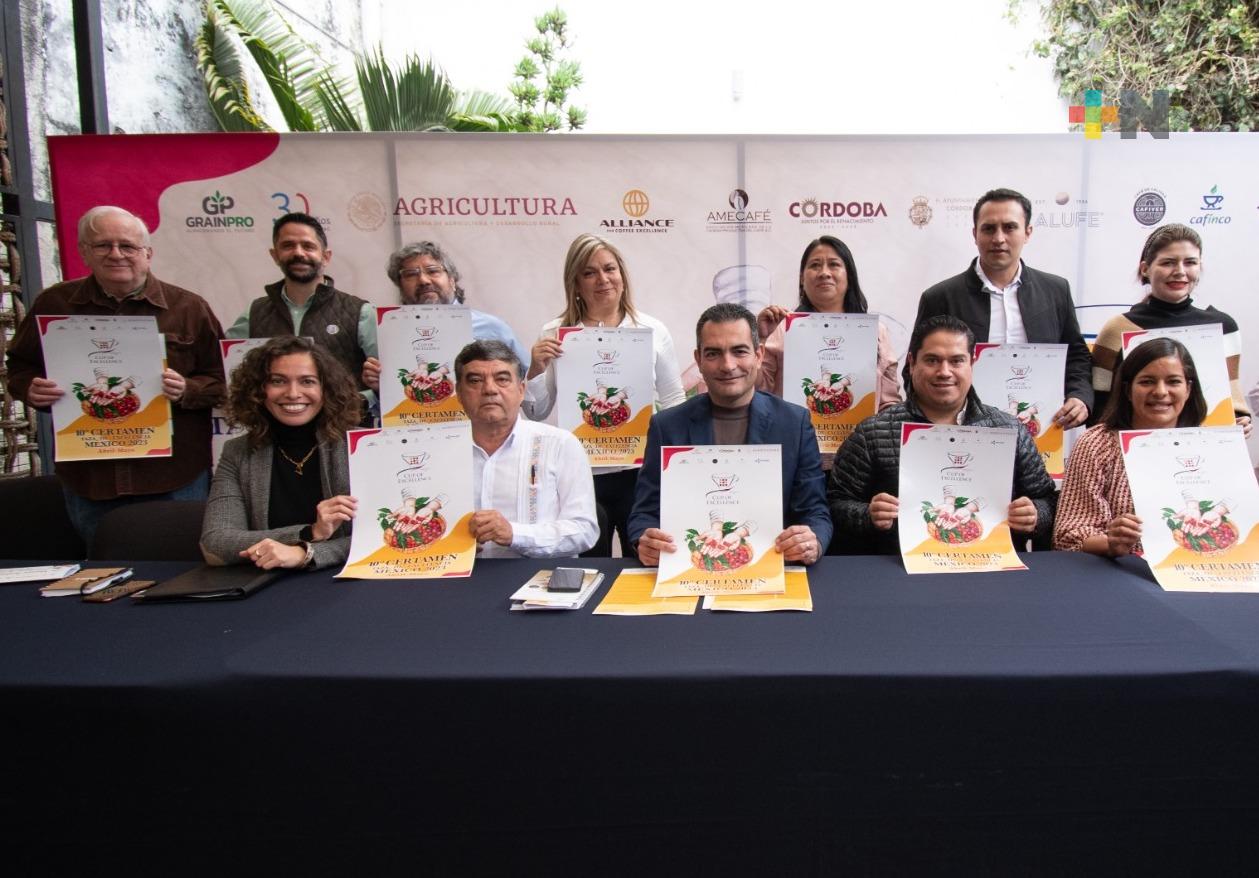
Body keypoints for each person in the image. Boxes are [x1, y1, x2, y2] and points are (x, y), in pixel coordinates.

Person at [6, 205, 226, 547]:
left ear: (147, 254)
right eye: (103, 245)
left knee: (183, 563)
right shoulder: (54, 305)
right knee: (105, 566)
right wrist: (29, 388)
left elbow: (225, 379)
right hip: (91, 477)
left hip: (174, 475)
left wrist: (188, 389)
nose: (116, 254)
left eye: (127, 246)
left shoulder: (189, 308)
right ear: (84, 252)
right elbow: (20, 366)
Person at [828, 315, 1057, 555]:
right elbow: (835, 502)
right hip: (900, 567)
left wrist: (1035, 515)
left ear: (972, 363)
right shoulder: (873, 432)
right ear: (912, 363)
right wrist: (868, 515)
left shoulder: (1009, 430)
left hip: (991, 565)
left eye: (956, 361)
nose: (944, 372)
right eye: (932, 360)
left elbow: (1048, 499)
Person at [627, 303, 831, 567]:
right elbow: (644, 513)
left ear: (758, 355)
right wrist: (644, 541)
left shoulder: (794, 423)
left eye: (739, 351)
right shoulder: (666, 426)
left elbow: (815, 512)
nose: (727, 365)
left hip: (773, 569)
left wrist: (812, 541)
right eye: (713, 353)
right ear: (698, 360)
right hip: (689, 570)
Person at [525, 234, 686, 554]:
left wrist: (675, 462)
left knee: (643, 563)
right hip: (580, 475)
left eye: (610, 269)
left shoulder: (652, 330)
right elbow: (535, 412)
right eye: (589, 272)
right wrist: (535, 369)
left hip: (641, 474)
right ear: (575, 283)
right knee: (587, 568)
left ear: (622, 275)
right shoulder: (555, 332)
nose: (603, 279)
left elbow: (673, 401)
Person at [912, 187, 1093, 429]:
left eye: (1009, 227)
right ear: (975, 234)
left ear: (1027, 232)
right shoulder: (940, 297)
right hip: (962, 433)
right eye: (989, 228)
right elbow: (915, 368)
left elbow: (1077, 355)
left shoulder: (1055, 290)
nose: (998, 238)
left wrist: (1080, 396)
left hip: (1038, 431)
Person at [200, 336, 361, 570]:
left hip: (345, 580)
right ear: (258, 390)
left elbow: (384, 535)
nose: (293, 393)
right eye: (278, 381)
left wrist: (305, 553)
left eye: (307, 381)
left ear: (327, 389)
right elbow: (215, 543)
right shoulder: (237, 453)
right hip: (268, 583)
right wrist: (310, 532)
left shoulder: (360, 447)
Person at [1054, 338, 1208, 557]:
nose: (1160, 392)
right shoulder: (1097, 444)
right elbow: (1068, 536)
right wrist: (1111, 544)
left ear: (1188, 389)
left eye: (1173, 382)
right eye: (1147, 382)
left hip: (1202, 567)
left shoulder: (1212, 446)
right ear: (1127, 390)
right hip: (1121, 571)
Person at [1091, 223, 1250, 435]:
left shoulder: (1224, 327)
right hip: (1131, 447)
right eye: (1168, 263)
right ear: (1145, 269)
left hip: (1207, 446)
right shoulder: (1117, 329)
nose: (1180, 272)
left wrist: (1240, 420)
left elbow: (1232, 394)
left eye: (1190, 262)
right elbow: (1099, 402)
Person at [756, 235, 902, 464]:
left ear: (849, 275)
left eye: (834, 264)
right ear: (802, 278)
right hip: (797, 457)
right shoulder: (783, 329)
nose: (824, 272)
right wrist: (762, 339)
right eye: (815, 265)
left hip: (859, 461)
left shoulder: (875, 332)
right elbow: (758, 391)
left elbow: (889, 404)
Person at [455, 339, 598, 558]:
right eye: (475, 381)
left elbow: (584, 530)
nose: (489, 389)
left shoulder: (560, 444)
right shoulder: (438, 453)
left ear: (521, 390)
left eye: (502, 379)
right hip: (461, 574)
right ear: (459, 393)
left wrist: (515, 534)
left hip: (539, 576)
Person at [226, 212, 375, 397]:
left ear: (326, 256)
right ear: (275, 255)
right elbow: (232, 379)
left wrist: (360, 401)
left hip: (345, 416)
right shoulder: (253, 314)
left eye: (308, 246)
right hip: (276, 416)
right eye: (288, 245)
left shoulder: (360, 313)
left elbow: (388, 380)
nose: (298, 253)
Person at [360, 240, 530, 395]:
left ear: (452, 280)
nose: (423, 280)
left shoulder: (492, 328)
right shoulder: (390, 333)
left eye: (433, 271)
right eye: (411, 274)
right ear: (400, 287)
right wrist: (381, 387)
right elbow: (397, 393)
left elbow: (527, 386)